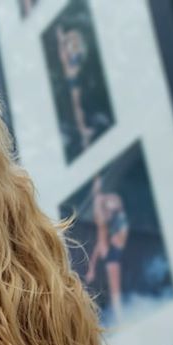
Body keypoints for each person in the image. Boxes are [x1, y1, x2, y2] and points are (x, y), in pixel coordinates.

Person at [85, 176, 129, 325]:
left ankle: (120, 316)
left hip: (113, 249)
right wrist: (91, 269)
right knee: (115, 290)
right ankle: (120, 317)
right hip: (111, 251)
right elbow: (99, 245)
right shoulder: (105, 224)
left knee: (115, 290)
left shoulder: (114, 217)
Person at [57, 25, 94, 153]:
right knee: (77, 106)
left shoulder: (76, 50)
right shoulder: (71, 51)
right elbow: (65, 59)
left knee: (78, 106)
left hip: (75, 78)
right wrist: (62, 38)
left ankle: (83, 130)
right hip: (73, 80)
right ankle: (83, 130)